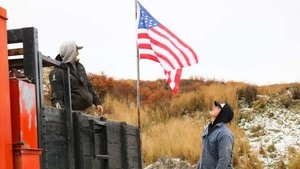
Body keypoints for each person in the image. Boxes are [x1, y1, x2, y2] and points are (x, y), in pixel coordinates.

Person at [49, 40, 104, 115]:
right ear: (70, 53)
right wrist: (65, 117)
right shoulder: (57, 73)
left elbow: (89, 86)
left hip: (87, 111)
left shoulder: (80, 66)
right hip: (73, 114)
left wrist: (98, 103)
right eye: (76, 51)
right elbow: (57, 99)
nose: (78, 53)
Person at [197, 101, 234, 169]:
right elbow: (204, 155)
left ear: (223, 113)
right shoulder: (207, 129)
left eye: (218, 107)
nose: (214, 107)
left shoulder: (224, 134)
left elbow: (224, 161)